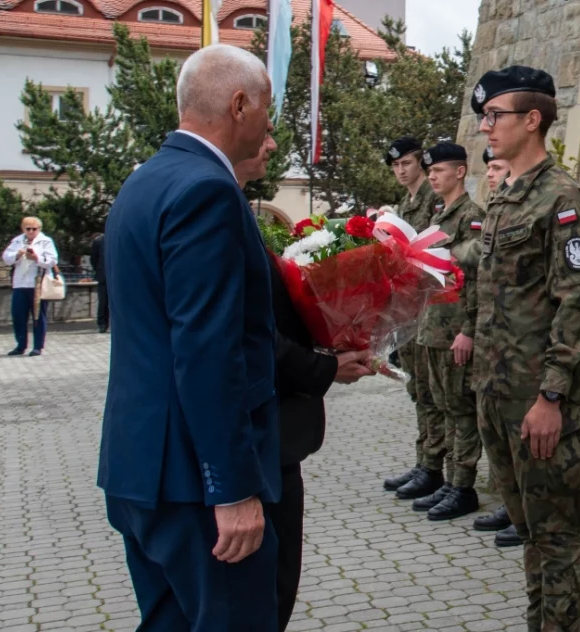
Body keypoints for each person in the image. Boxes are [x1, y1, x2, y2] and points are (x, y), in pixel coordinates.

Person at [97, 44, 281, 632]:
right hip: (193, 482)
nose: (268, 127)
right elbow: (207, 350)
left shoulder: (145, 181)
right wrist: (230, 489)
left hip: (140, 467)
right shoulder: (208, 190)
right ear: (239, 104)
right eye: (267, 110)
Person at [471, 65, 580, 631]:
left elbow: (576, 307)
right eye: (483, 117)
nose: (485, 127)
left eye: (494, 115)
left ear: (532, 119)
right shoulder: (503, 201)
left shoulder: (562, 200)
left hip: (536, 403)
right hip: (495, 396)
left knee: (556, 540)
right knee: (527, 532)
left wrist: (552, 395)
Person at [233, 132, 374, 631]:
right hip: (256, 446)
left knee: (272, 590)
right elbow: (251, 342)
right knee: (264, 593)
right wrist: (327, 367)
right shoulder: (218, 213)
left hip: (271, 442)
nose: (272, 145)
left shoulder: (233, 211)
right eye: (263, 133)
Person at [411, 142, 484, 521]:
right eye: (431, 172)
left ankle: (462, 485)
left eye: (439, 171)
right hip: (433, 325)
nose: (433, 177)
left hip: (455, 328)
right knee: (440, 404)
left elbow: (475, 281)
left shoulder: (471, 217)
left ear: (459, 172)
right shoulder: (438, 215)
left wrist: (469, 330)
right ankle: (446, 479)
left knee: (460, 408)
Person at [381, 136, 448, 502]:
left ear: (420, 163)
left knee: (435, 393)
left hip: (432, 310)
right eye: (395, 166)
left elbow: (436, 253)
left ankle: (436, 466)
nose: (401, 171)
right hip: (409, 311)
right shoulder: (405, 205)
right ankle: (425, 461)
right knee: (418, 390)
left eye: (406, 163)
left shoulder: (434, 201)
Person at [472, 145, 522, 547]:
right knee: (498, 443)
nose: (491, 174)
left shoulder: (541, 203)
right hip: (492, 352)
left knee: (519, 443)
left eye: (497, 167)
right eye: (487, 167)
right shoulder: (497, 208)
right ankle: (511, 506)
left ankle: (523, 515)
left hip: (520, 356)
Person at [1, 216, 58, 357]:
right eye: (28, 229)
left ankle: (38, 346)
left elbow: (52, 260)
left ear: (39, 229)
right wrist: (17, 254)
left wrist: (37, 258)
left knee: (38, 316)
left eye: (34, 229)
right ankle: (20, 345)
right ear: (23, 229)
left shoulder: (46, 241)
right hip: (20, 283)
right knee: (18, 315)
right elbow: (6, 258)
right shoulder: (17, 241)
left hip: (37, 283)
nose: (31, 231)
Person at [90, 232, 108, 333]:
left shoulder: (120, 238)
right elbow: (93, 258)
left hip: (118, 275)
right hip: (103, 275)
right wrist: (98, 269)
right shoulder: (99, 241)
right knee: (103, 302)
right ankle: (102, 324)